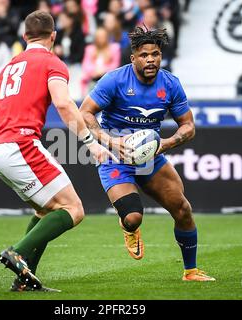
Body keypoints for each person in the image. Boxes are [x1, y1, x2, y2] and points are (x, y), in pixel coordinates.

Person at [0, 10, 115, 292]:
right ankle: (17, 253)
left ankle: (24, 280)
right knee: (74, 209)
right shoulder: (51, 62)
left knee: (47, 210)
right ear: (53, 36)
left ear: (24, 36)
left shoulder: (10, 65)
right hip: (20, 144)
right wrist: (90, 143)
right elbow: (65, 104)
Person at [79, 26, 216, 282]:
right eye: (144, 55)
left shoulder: (170, 84)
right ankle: (127, 227)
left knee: (182, 209)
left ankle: (190, 271)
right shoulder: (114, 80)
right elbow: (84, 113)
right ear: (133, 58)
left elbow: (188, 126)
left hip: (150, 155)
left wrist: (164, 144)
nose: (150, 59)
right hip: (115, 155)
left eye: (155, 54)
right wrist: (110, 141)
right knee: (133, 217)